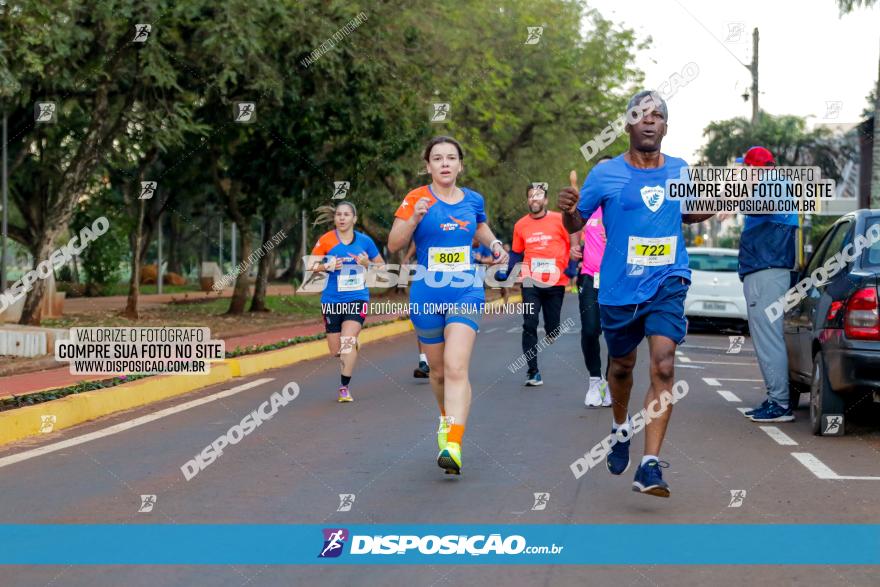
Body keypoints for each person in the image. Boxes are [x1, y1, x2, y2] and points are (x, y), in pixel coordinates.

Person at [558, 91, 714, 497]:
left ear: (665, 126)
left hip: (668, 280)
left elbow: (692, 211)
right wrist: (569, 209)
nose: (650, 121)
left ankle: (649, 465)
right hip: (619, 287)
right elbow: (577, 220)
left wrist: (720, 199)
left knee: (663, 365)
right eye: (641, 115)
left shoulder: (680, 169)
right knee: (622, 367)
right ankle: (620, 426)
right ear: (627, 124)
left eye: (658, 115)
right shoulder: (606, 173)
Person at [388, 136, 508, 475]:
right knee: (438, 372)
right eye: (437, 158)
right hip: (427, 292)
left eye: (451, 158)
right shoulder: (415, 198)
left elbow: (480, 226)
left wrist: (495, 243)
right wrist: (414, 219)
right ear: (428, 166)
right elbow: (395, 242)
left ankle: (453, 442)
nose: (444, 163)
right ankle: (446, 420)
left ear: (459, 165)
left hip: (465, 290)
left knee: (456, 368)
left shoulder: (472, 199)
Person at [738, 146, 798, 423]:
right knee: (768, 337)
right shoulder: (774, 184)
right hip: (767, 269)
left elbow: (766, 203)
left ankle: (780, 403)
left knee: (768, 338)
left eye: (747, 170)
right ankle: (778, 398)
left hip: (767, 270)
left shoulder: (773, 184)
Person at [310, 201, 384, 403]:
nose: (342, 218)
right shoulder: (326, 240)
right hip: (332, 299)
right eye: (339, 215)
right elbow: (311, 265)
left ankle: (344, 388)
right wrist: (327, 265)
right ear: (335, 218)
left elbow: (382, 267)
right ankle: (352, 344)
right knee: (336, 351)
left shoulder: (365, 241)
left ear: (354, 219)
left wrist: (367, 263)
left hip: (357, 297)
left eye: (346, 215)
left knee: (347, 340)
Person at [509, 182, 577, 386]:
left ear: (545, 200)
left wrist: (571, 268)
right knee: (529, 323)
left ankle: (552, 330)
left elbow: (573, 245)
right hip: (530, 280)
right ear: (527, 200)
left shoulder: (559, 220)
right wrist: (508, 272)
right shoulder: (520, 225)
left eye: (538, 196)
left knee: (553, 327)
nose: (534, 199)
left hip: (556, 281)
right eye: (531, 196)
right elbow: (516, 252)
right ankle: (533, 371)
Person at [579, 155, 613, 407]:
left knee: (615, 334)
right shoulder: (588, 205)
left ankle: (612, 383)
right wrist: (573, 248)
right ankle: (594, 380)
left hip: (617, 279)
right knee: (590, 330)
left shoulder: (621, 203)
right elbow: (572, 227)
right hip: (590, 277)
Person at [403, 241, 431, 378]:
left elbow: (474, 241)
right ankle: (423, 362)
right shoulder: (422, 221)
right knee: (423, 319)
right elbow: (416, 240)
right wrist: (407, 257)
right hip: (425, 276)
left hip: (450, 280)